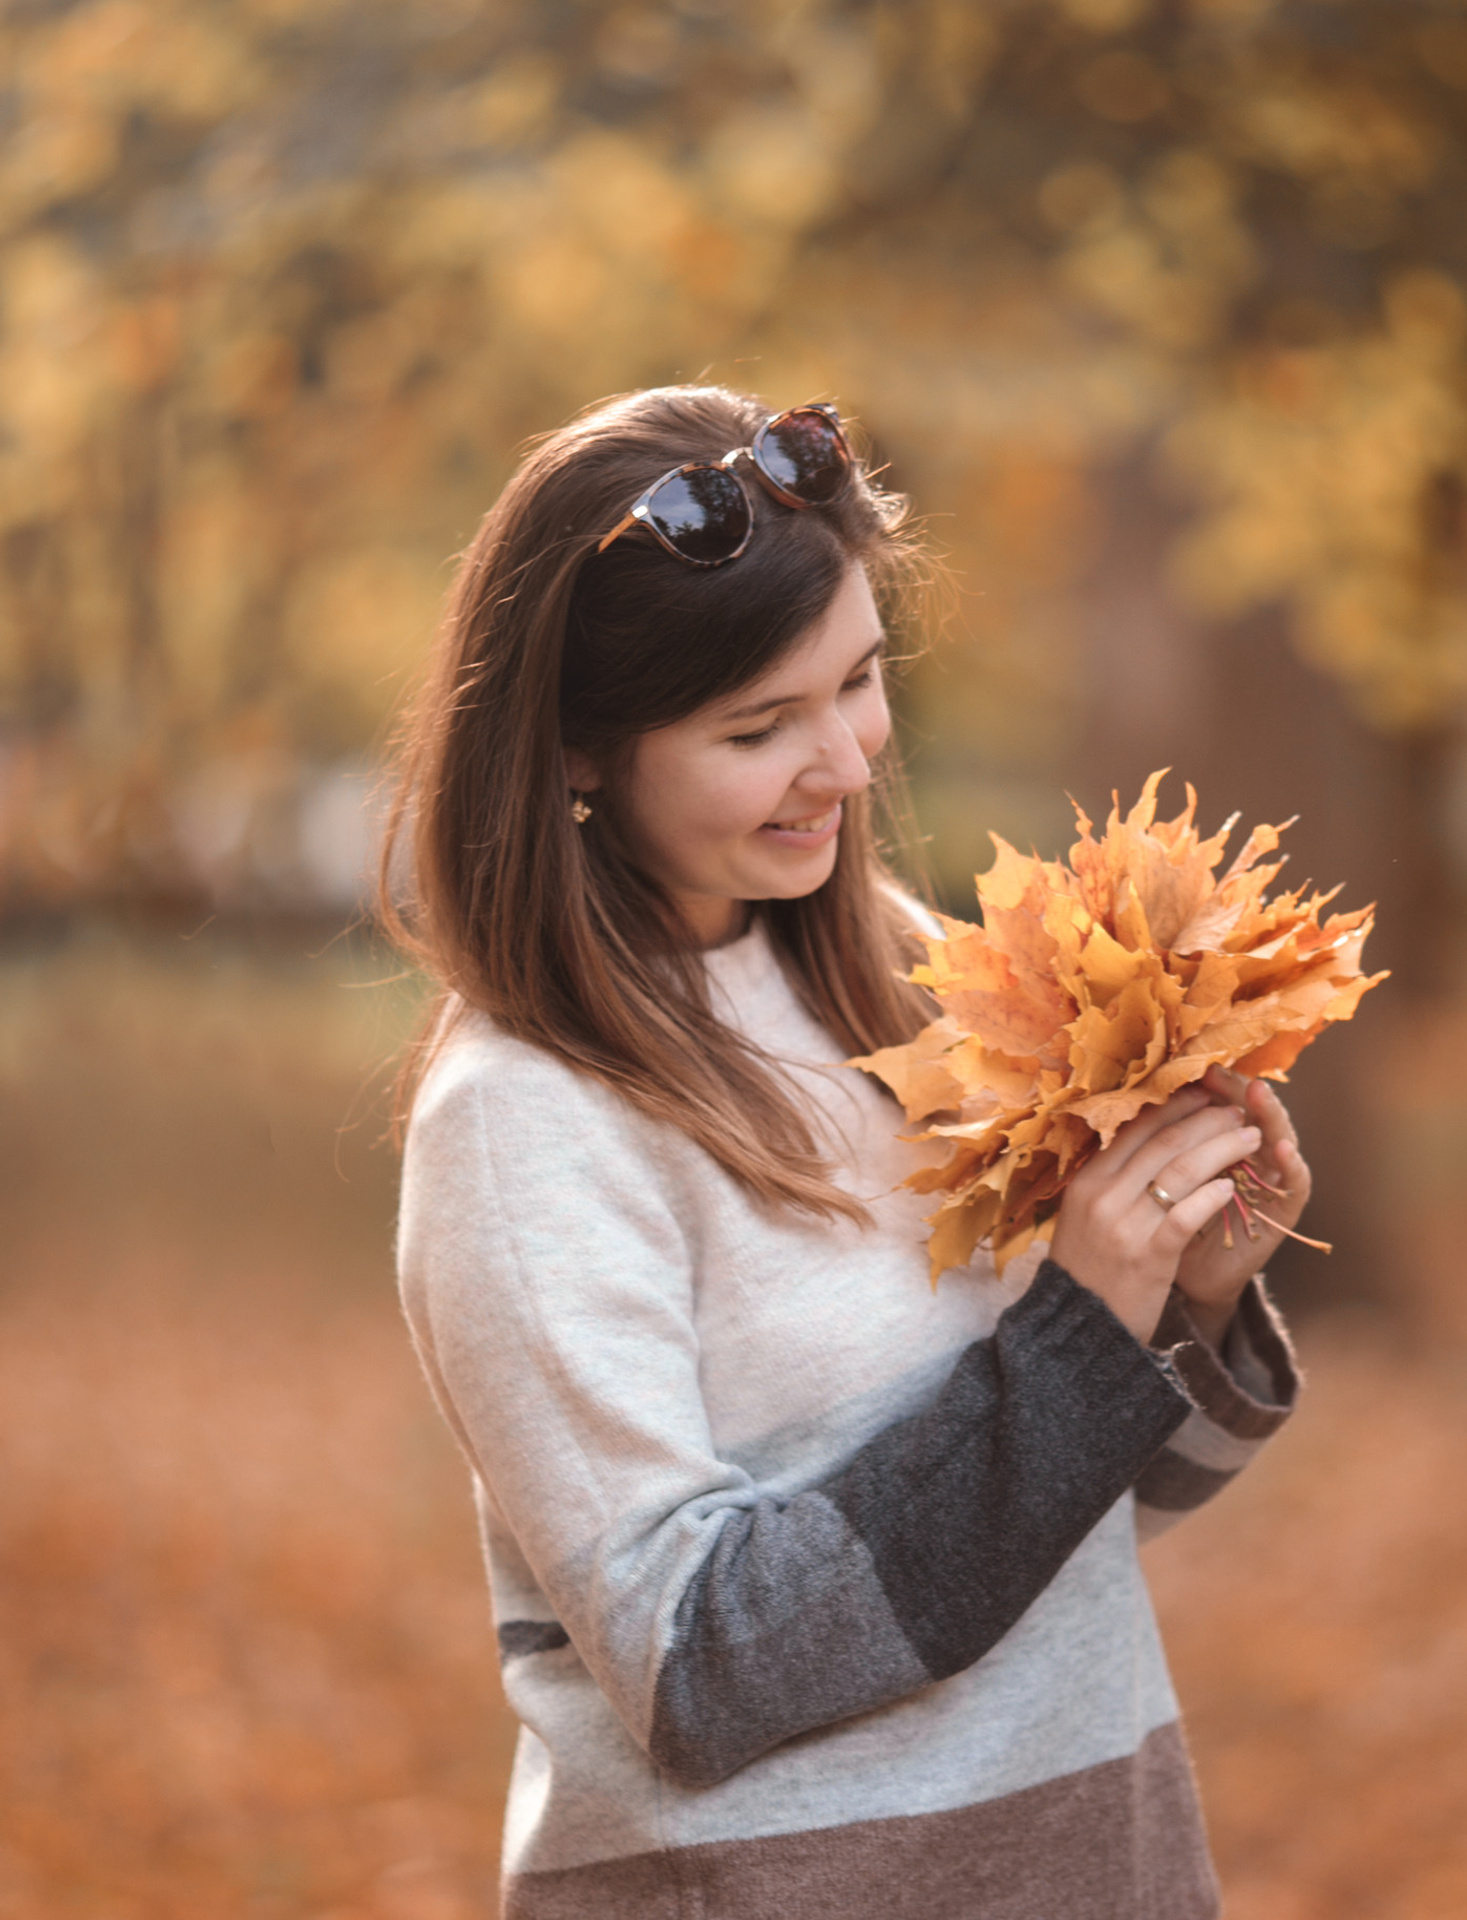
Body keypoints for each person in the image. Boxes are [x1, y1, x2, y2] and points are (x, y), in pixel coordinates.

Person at [383, 385, 1311, 1920]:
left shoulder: (906, 972)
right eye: (760, 728)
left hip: (1093, 1859)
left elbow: (1083, 1513)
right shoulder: (527, 1122)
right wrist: (1083, 1328)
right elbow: (698, 1665)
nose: (846, 764)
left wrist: (1185, 1297)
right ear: (576, 755)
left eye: (861, 682)